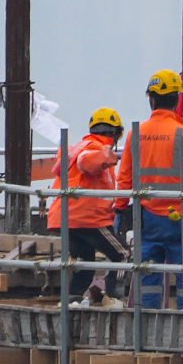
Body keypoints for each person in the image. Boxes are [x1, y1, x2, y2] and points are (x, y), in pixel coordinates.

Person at [126, 72, 183, 308]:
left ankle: (147, 326)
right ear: (177, 100)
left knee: (148, 272)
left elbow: (124, 177)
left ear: (151, 100)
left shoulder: (136, 133)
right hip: (181, 217)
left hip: (147, 216)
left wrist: (117, 210)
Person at [52, 108, 129, 300]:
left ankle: (72, 300)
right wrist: (107, 156)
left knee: (85, 262)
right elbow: (86, 162)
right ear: (115, 133)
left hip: (66, 217)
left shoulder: (80, 146)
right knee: (123, 255)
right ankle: (114, 298)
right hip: (88, 218)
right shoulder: (95, 148)